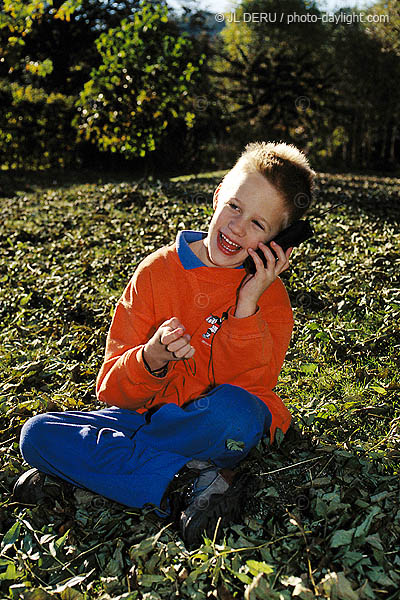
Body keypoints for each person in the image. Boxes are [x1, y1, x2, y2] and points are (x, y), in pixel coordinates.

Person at [13, 141, 315, 548]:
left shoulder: (269, 299)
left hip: (212, 425)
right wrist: (150, 358)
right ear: (217, 195)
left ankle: (103, 468)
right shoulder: (155, 273)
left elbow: (247, 388)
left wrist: (247, 306)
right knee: (37, 435)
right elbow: (112, 391)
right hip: (145, 417)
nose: (238, 227)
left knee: (237, 418)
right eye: (235, 207)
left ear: (279, 243)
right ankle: (188, 481)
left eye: (259, 225)